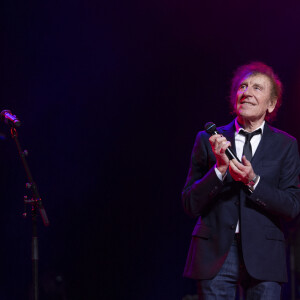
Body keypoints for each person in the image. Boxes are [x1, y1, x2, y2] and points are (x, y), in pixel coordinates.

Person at [182, 62, 300, 299]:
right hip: (215, 252)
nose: (246, 92)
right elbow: (189, 204)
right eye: (243, 87)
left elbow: (292, 206)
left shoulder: (286, 145)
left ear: (271, 104)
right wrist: (219, 169)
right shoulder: (208, 139)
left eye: (257, 88)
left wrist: (254, 181)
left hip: (265, 255)